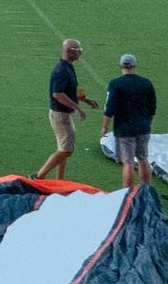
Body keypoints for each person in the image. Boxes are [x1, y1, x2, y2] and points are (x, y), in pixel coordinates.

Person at [34, 39, 97, 180]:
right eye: (78, 51)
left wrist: (86, 100)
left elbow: (70, 90)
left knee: (63, 149)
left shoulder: (68, 67)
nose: (80, 53)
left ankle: (59, 179)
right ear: (69, 51)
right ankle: (38, 176)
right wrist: (77, 108)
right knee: (66, 150)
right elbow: (58, 94)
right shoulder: (61, 70)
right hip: (61, 115)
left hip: (64, 115)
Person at [101, 53, 157, 191]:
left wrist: (104, 127)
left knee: (128, 162)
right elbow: (152, 107)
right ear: (134, 66)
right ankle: (147, 190)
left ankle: (127, 193)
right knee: (143, 158)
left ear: (121, 66)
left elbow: (109, 109)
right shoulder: (146, 83)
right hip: (143, 127)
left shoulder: (115, 84)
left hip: (124, 129)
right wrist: (149, 123)